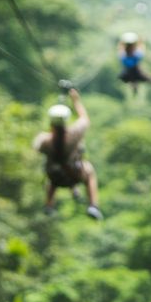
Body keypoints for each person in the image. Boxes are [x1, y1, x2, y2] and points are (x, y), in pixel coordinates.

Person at [33, 88, 103, 220]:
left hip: (55, 177)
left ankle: (49, 204)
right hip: (76, 174)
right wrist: (75, 100)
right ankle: (93, 205)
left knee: (51, 178)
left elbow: (36, 149)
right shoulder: (74, 133)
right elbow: (84, 119)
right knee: (90, 172)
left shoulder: (44, 139)